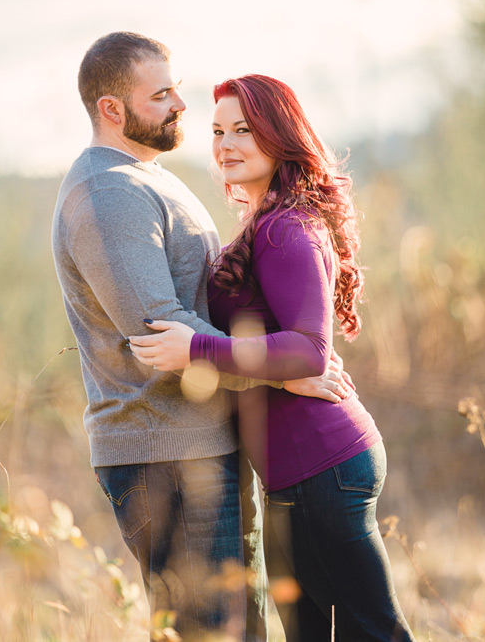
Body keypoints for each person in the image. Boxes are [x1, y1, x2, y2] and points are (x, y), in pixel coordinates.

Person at [51, 32, 352, 640]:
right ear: (113, 109)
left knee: (244, 627)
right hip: (163, 452)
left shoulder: (146, 177)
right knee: (217, 632)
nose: (180, 107)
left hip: (200, 442)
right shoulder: (109, 192)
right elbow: (159, 329)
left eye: (176, 89)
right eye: (161, 95)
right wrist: (286, 366)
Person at [129, 74, 413, 640]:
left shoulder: (286, 226)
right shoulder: (267, 219)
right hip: (296, 474)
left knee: (373, 632)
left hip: (323, 467)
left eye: (244, 130)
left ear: (279, 136)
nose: (225, 144)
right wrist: (279, 378)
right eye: (217, 131)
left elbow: (309, 349)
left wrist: (195, 350)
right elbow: (288, 353)